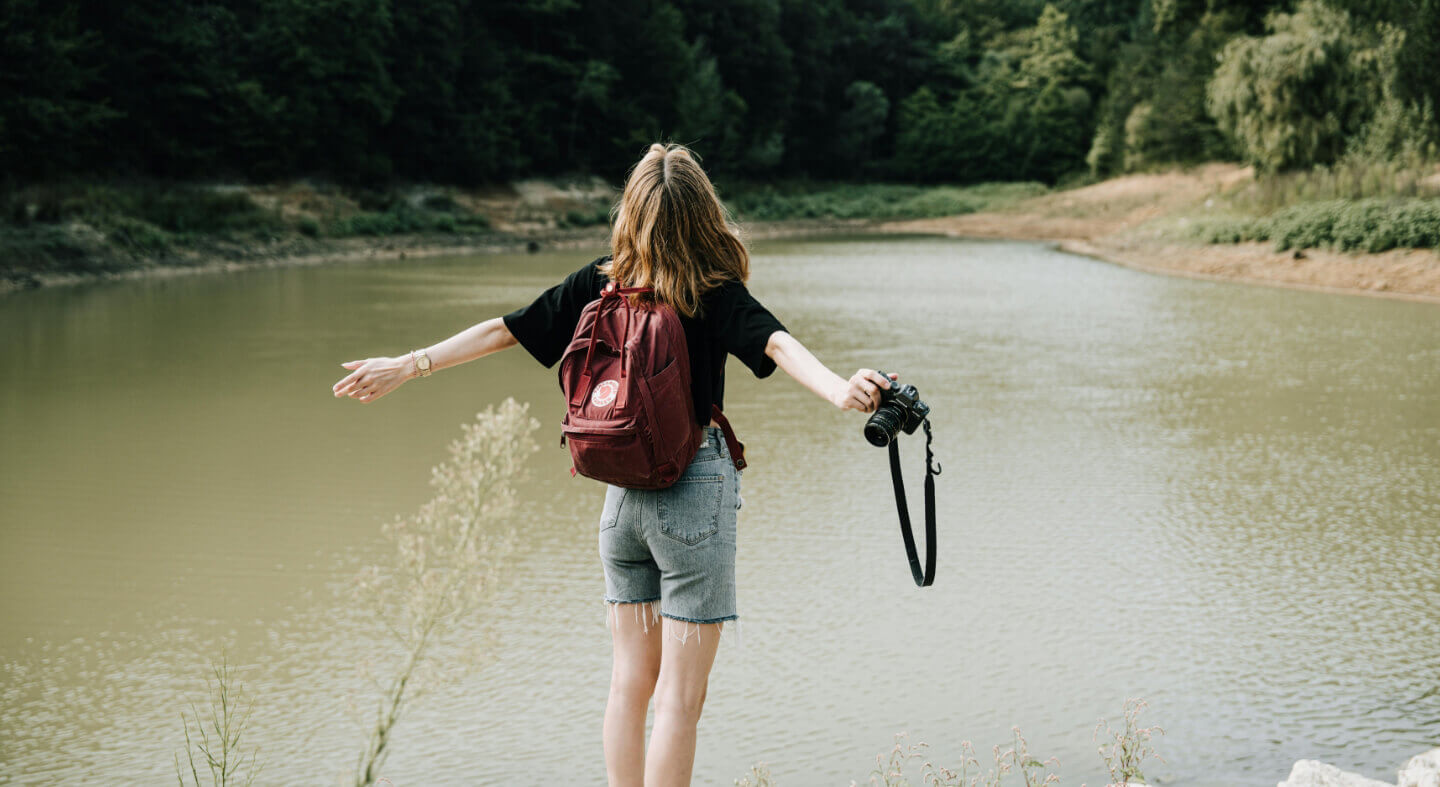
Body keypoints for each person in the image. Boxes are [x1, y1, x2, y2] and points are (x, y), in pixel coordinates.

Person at [331, 142, 897, 787]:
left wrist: (409, 364)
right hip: (692, 499)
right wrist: (838, 390)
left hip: (620, 504)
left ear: (630, 212)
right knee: (679, 703)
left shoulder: (602, 281)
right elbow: (776, 343)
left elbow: (504, 330)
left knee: (629, 686)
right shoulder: (711, 286)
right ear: (703, 213)